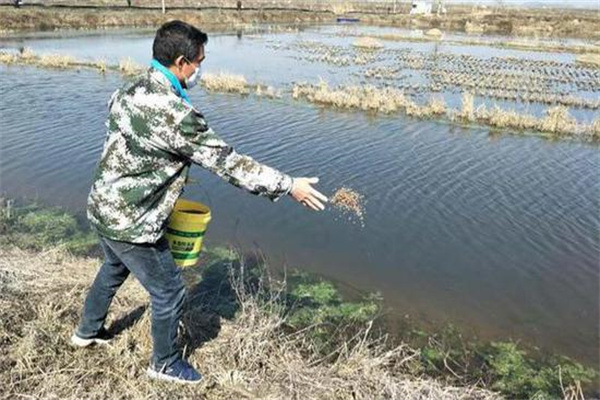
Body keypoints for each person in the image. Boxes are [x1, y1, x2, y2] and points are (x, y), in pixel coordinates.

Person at [71, 20, 327, 385]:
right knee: (170, 290)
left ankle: (86, 332)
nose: (200, 70)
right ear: (180, 62)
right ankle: (164, 363)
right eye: (199, 62)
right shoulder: (176, 115)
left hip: (102, 205)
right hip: (132, 219)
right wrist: (288, 185)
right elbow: (229, 163)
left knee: (113, 269)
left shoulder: (130, 89)